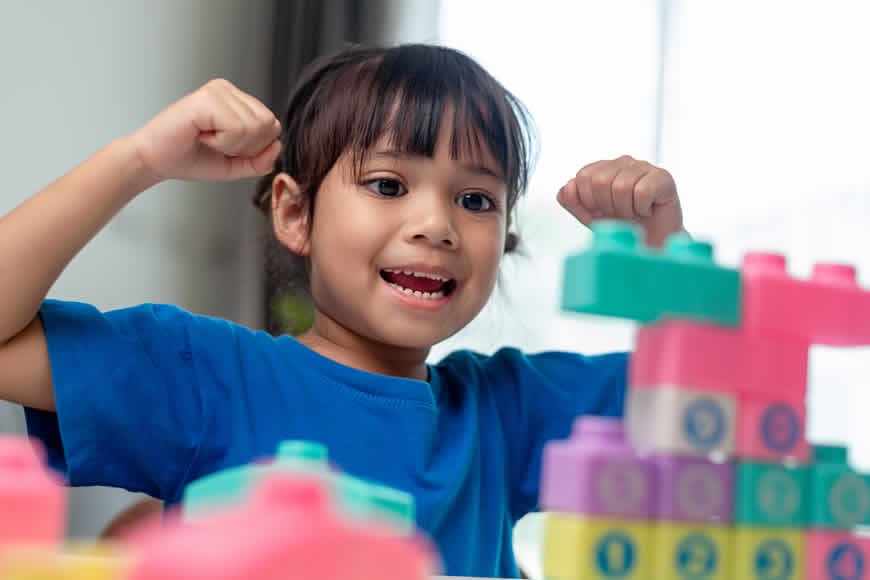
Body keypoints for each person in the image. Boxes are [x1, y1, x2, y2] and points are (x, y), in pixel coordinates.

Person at [0, 44, 683, 577]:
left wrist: (667, 261)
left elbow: (706, 417)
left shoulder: (505, 413)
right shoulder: (208, 378)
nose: (436, 224)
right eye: (388, 184)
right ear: (295, 214)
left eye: (475, 200)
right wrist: (138, 159)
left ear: (503, 240)